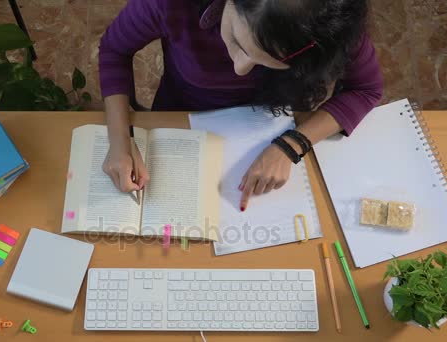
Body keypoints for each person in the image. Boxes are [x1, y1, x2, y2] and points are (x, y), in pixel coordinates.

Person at [99, 0, 383, 210]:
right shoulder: (172, 4)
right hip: (181, 111)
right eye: (236, 40)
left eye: (266, 62)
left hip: (271, 123)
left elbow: (366, 89)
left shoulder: (331, 25)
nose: (240, 68)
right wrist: (119, 140)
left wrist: (291, 144)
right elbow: (114, 49)